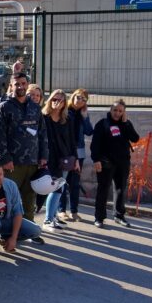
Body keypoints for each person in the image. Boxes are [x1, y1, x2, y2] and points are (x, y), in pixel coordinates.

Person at [0, 72, 48, 227]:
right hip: (12, 164)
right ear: (11, 85)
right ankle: (4, 232)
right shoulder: (3, 108)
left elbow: (42, 133)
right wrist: (5, 158)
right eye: (17, 84)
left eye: (23, 83)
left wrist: (43, 156)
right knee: (8, 198)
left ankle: (28, 230)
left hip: (32, 162)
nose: (20, 87)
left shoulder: (35, 107)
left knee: (29, 198)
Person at [0, 160, 42, 264]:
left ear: (4, 173)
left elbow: (18, 213)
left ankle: (6, 239)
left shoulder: (11, 185)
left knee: (36, 230)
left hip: (6, 221)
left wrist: (13, 238)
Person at [90, 99, 139, 228]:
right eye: (115, 110)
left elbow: (135, 138)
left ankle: (119, 215)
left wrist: (126, 123)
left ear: (124, 112)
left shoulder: (125, 124)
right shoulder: (102, 124)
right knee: (103, 189)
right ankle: (99, 217)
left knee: (120, 189)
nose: (117, 113)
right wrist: (96, 160)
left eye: (120, 111)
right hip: (106, 162)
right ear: (110, 110)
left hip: (123, 162)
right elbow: (95, 144)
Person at [40, 89, 78, 232]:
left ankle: (54, 217)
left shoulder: (67, 119)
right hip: (49, 159)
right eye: (54, 99)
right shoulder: (44, 117)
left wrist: (76, 160)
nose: (57, 102)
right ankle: (48, 219)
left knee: (60, 189)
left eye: (61, 100)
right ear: (50, 100)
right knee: (54, 189)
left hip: (65, 159)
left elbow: (73, 141)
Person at [59, 89, 93, 222]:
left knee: (75, 183)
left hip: (79, 153)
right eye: (78, 97)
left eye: (83, 99)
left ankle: (74, 211)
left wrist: (85, 117)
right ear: (73, 96)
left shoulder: (82, 114)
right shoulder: (65, 110)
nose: (80, 101)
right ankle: (61, 210)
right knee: (62, 182)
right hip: (65, 152)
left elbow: (89, 131)